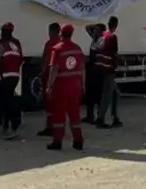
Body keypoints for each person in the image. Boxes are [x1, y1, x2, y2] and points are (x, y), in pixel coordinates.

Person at [46, 23, 85, 151]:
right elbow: (82, 69)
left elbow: (54, 69)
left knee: (58, 115)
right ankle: (78, 141)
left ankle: (57, 141)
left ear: (61, 34)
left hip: (61, 88)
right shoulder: (78, 49)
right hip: (75, 87)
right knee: (75, 114)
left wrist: (49, 86)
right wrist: (83, 85)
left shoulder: (57, 49)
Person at [0, 22, 24, 138]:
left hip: (5, 75)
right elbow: (20, 58)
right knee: (9, 98)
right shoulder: (16, 43)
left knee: (4, 100)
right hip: (15, 75)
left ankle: (10, 124)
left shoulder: (1, 44)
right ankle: (7, 123)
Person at [95, 15, 124, 128]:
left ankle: (114, 116)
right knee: (107, 94)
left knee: (115, 92)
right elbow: (114, 53)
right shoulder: (112, 37)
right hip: (109, 69)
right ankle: (100, 118)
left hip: (101, 68)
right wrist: (121, 60)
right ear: (116, 25)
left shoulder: (102, 36)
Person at [36, 22, 60, 138]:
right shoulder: (62, 43)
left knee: (49, 103)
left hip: (49, 76)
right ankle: (57, 126)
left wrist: (42, 72)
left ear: (52, 31)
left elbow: (47, 60)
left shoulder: (50, 44)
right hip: (60, 78)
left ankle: (50, 126)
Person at [84, 23, 104, 124]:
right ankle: (90, 116)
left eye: (97, 30)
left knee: (98, 94)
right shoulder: (95, 39)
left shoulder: (102, 41)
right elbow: (87, 27)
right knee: (89, 94)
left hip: (97, 69)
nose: (95, 32)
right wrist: (94, 26)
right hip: (92, 68)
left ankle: (99, 116)